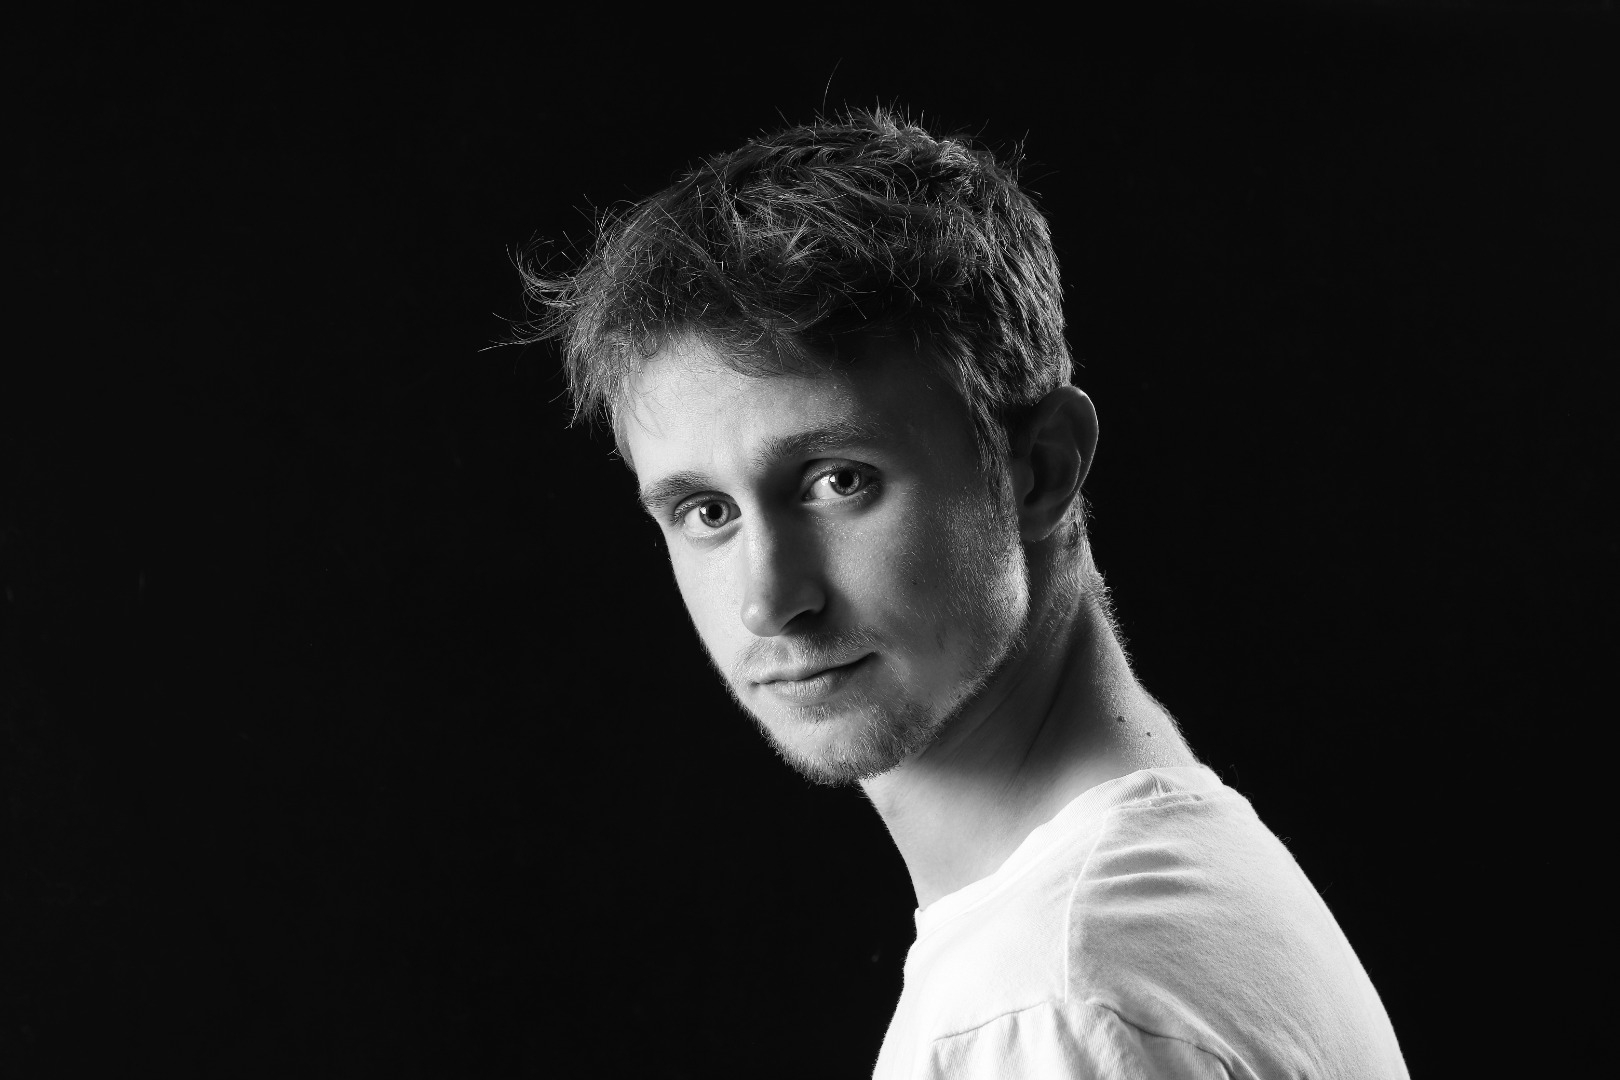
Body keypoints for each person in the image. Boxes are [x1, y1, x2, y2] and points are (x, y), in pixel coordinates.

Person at [518, 108, 1408, 1079]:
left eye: (838, 480)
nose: (768, 603)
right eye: (706, 512)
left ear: (1040, 469)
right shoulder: (1169, 892)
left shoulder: (1045, 1009)